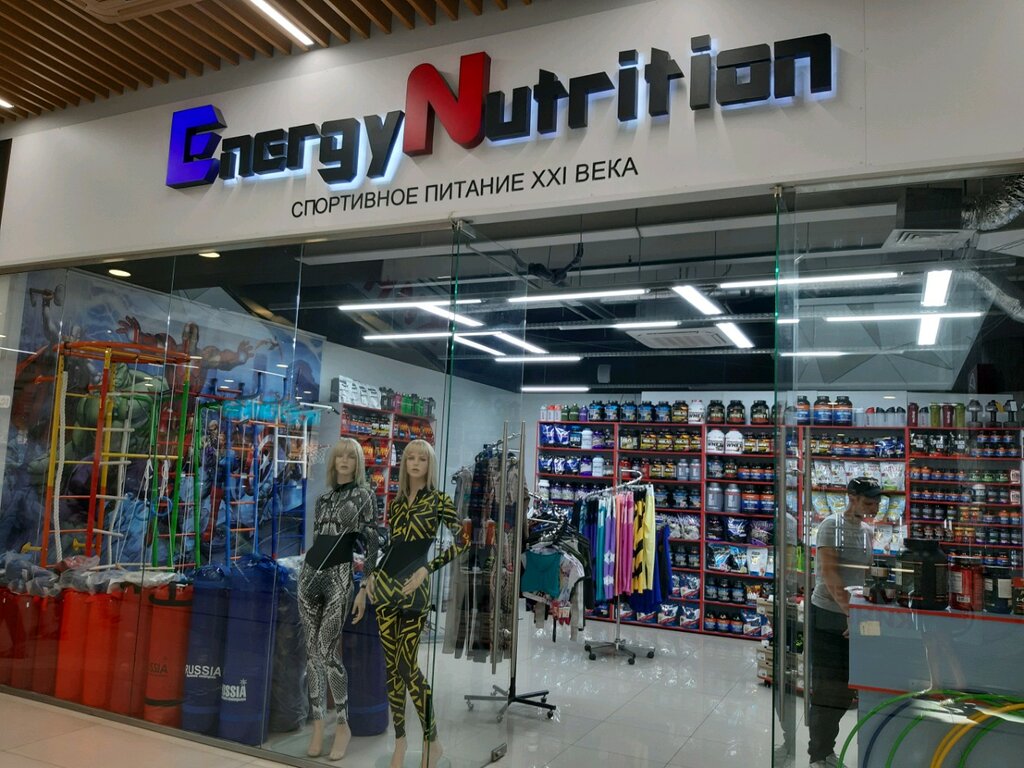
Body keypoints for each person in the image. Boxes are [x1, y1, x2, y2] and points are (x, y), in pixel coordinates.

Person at [354, 439, 467, 768]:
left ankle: (432, 739)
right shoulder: (398, 503)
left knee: (407, 667)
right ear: (403, 464)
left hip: (414, 590)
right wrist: (368, 581)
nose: (415, 463)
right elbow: (392, 546)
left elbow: (463, 539)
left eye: (422, 458)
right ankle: (401, 742)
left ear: (430, 464)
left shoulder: (439, 501)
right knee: (392, 669)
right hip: (385, 587)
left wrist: (427, 568)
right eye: (410, 458)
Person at [298, 438, 378, 760]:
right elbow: (317, 538)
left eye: (351, 456)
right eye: (340, 455)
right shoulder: (323, 499)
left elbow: (372, 542)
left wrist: (364, 585)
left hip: (339, 577)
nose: (344, 460)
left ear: (358, 462)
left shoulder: (365, 496)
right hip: (309, 575)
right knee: (311, 654)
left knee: (329, 653)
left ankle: (343, 725)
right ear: (333, 461)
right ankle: (318, 725)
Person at [808, 476, 878, 768]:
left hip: (854, 615)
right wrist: (851, 613)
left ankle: (826, 750)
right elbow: (830, 574)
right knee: (829, 689)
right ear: (851, 498)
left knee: (847, 689)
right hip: (828, 614)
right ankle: (819, 755)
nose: (874, 508)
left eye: (876, 503)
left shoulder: (867, 531)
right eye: (868, 503)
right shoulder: (830, 526)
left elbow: (863, 575)